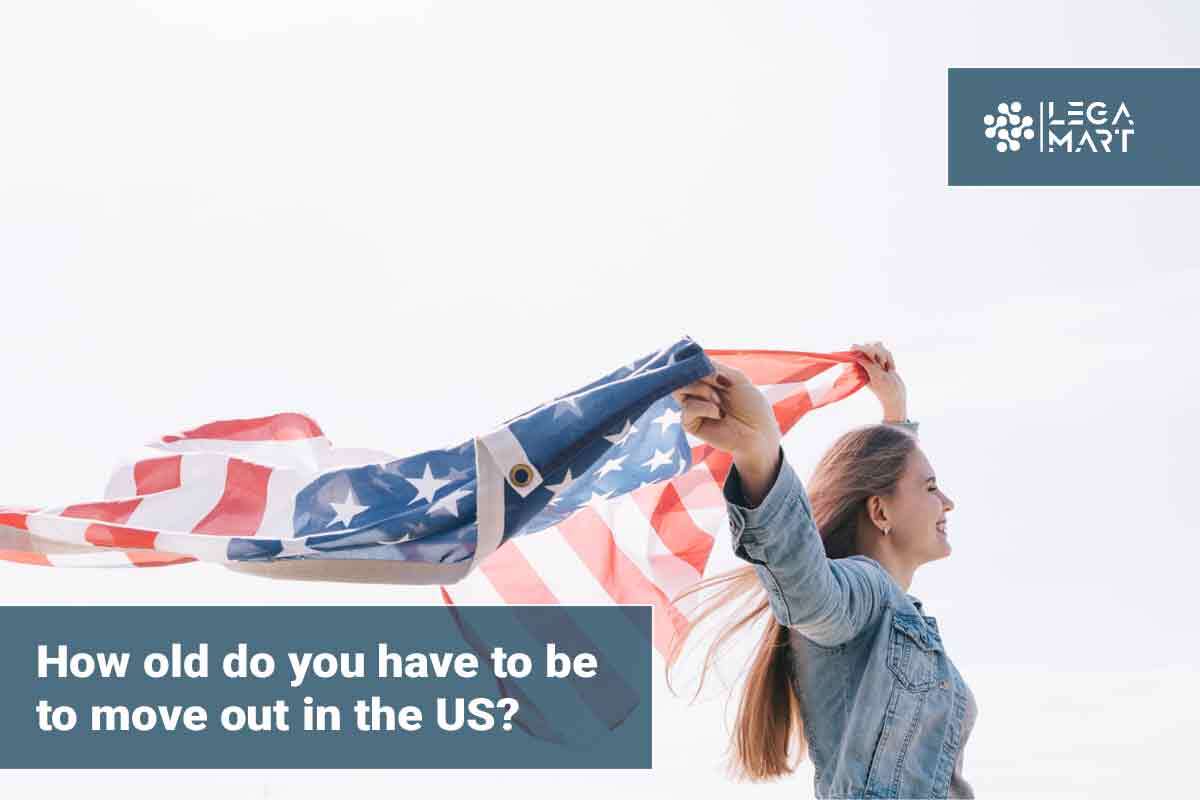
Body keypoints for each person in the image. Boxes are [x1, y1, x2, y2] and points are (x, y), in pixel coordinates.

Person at [666, 341, 977, 799]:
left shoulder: (891, 612)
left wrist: (896, 413)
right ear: (880, 512)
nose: (947, 502)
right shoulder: (865, 595)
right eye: (932, 487)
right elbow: (807, 587)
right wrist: (759, 453)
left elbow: (891, 484)